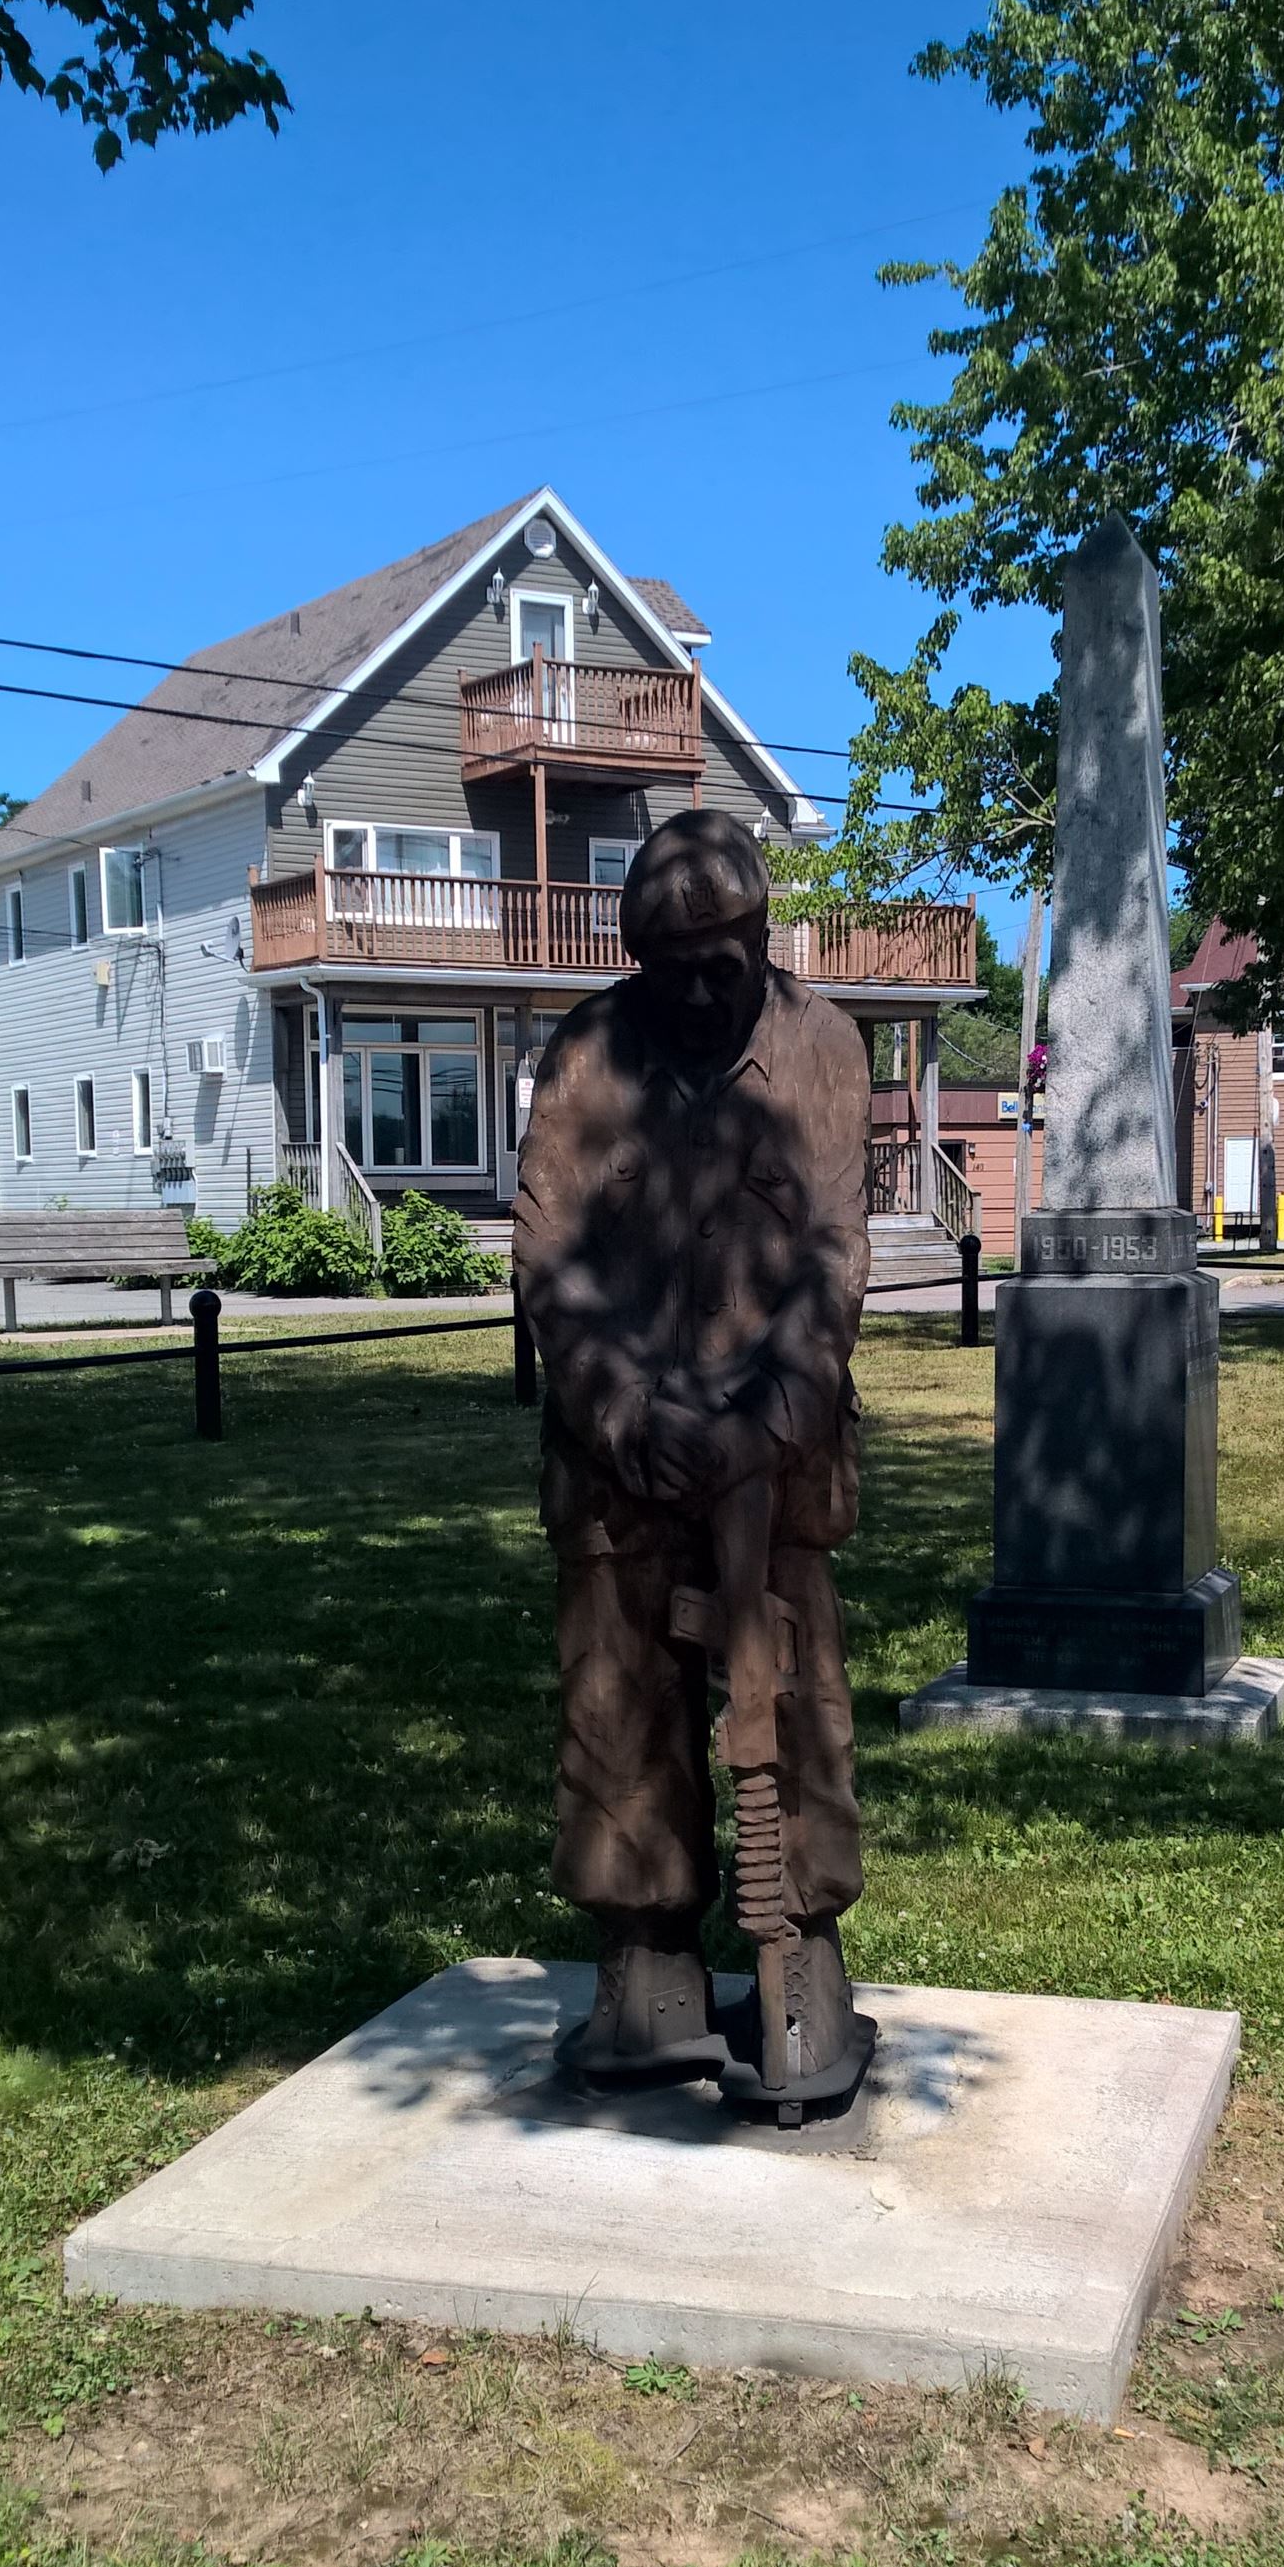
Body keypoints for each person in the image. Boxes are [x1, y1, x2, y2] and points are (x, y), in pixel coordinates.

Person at [513, 808, 873, 2108]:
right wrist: (626, 1411)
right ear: (638, 960)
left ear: (762, 941)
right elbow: (549, 1257)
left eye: (723, 965)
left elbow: (834, 1251)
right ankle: (646, 1958)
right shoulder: (586, 1057)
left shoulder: (824, 1046)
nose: (702, 993)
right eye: (673, 970)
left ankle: (801, 1955)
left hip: (777, 1453)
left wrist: (766, 1412)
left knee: (797, 1703)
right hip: (622, 1455)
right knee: (616, 1704)